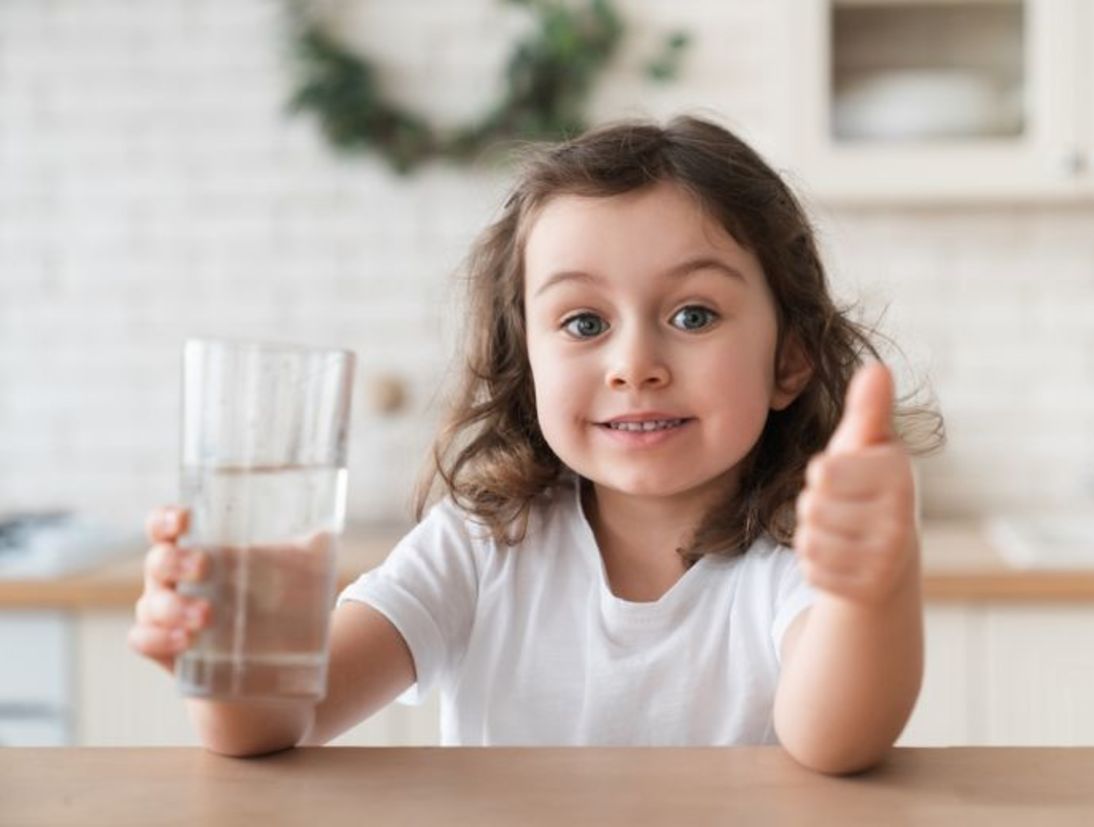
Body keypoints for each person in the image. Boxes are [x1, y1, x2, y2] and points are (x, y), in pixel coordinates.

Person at [128, 115, 943, 774]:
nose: (635, 366)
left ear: (789, 358)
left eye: (693, 315)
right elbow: (281, 718)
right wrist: (227, 656)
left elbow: (837, 740)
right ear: (526, 366)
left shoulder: (791, 561)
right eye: (584, 322)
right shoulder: (479, 547)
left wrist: (873, 586)